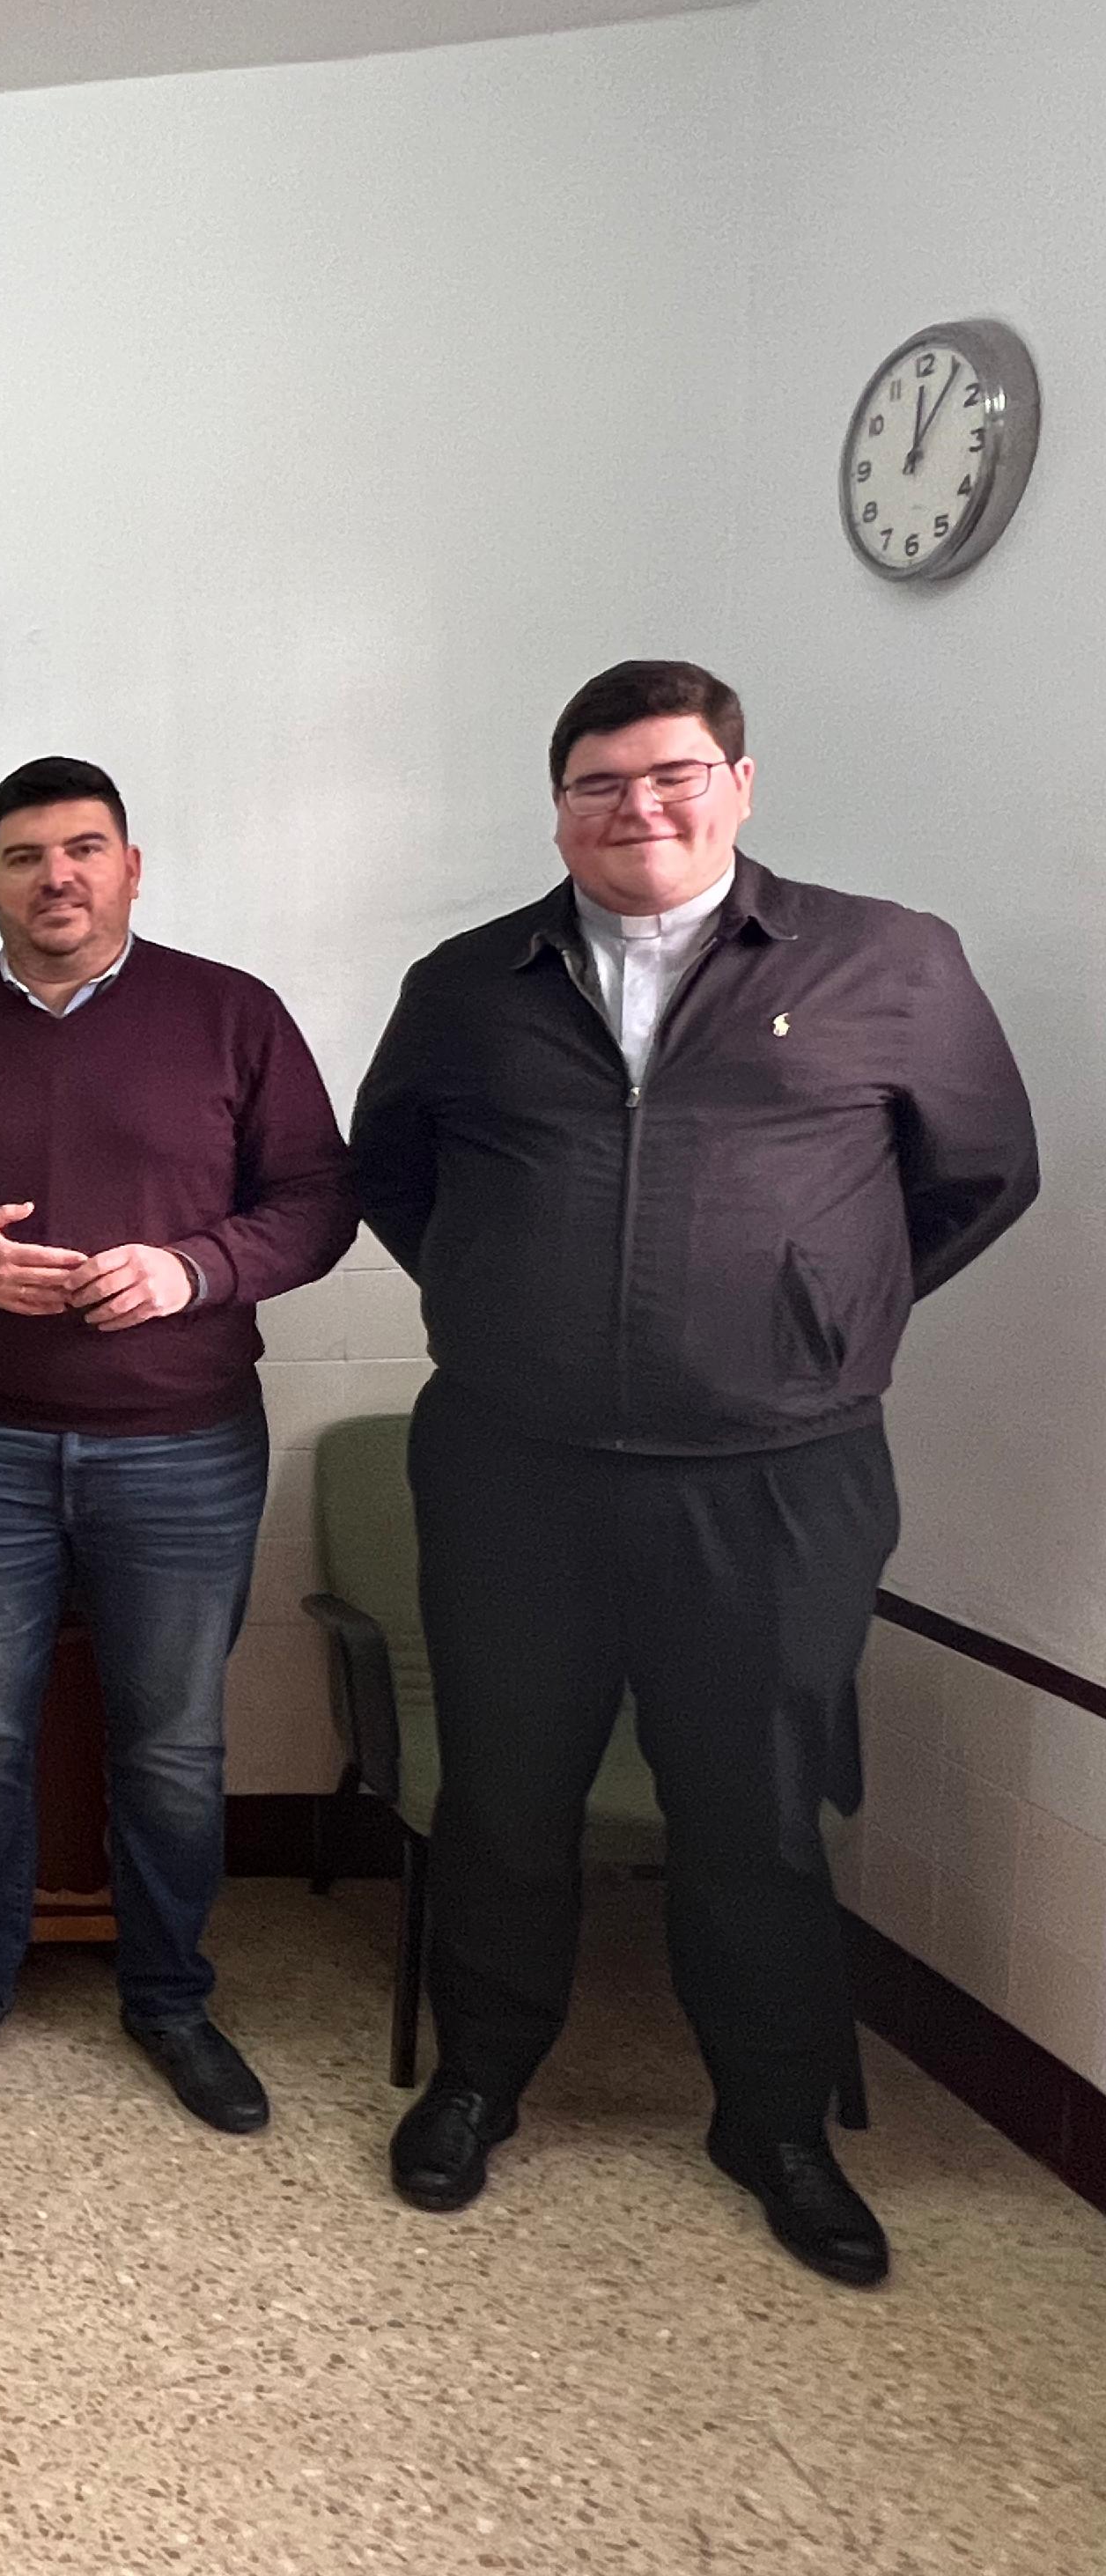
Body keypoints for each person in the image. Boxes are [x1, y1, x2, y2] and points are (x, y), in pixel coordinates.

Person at [352, 659, 1036, 2285]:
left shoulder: (885, 960)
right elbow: (390, 1173)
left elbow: (981, 1173)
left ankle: (774, 2118)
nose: (636, 807)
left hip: (778, 1476)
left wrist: (815, 1316)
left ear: (739, 779)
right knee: (506, 1796)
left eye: (669, 774)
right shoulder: (468, 981)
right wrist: (505, 1304)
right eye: (598, 783)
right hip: (516, 1471)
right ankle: (478, 2074)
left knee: (754, 1812)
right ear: (558, 808)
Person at [0, 758, 355, 2131]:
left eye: (84, 849)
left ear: (130, 864)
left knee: (172, 1745)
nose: (56, 876)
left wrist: (196, 1272)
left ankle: (170, 1998)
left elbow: (316, 1205)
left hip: (180, 1446)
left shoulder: (233, 1014)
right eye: (24, 856)